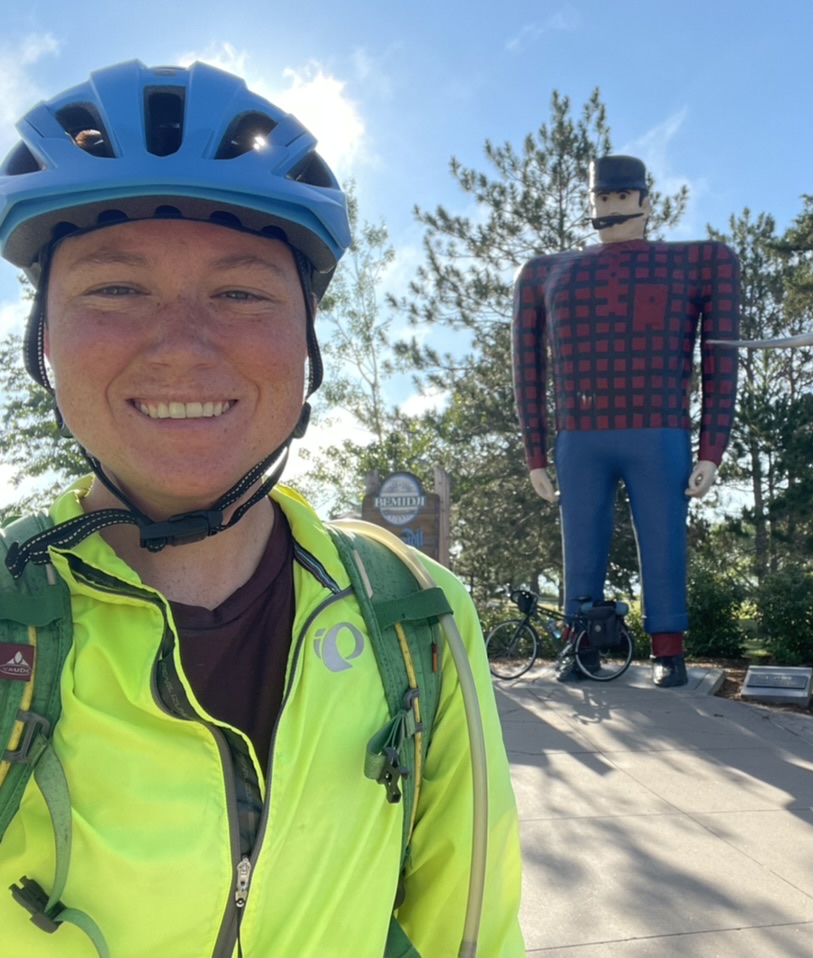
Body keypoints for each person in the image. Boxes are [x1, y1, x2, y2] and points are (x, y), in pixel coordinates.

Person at [0, 60, 523, 956]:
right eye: (116, 289)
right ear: (42, 337)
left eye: (241, 292)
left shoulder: (419, 616)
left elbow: (467, 935)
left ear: (309, 341)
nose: (183, 349)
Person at [512, 155, 740, 687]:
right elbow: (527, 367)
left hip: (659, 427)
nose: (610, 207)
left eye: (620, 198)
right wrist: (535, 454)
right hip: (581, 433)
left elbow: (721, 357)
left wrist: (712, 449)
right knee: (580, 542)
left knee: (664, 539)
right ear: (592, 203)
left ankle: (668, 649)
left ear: (643, 201)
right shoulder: (544, 273)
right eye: (602, 199)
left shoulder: (701, 262)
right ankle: (578, 645)